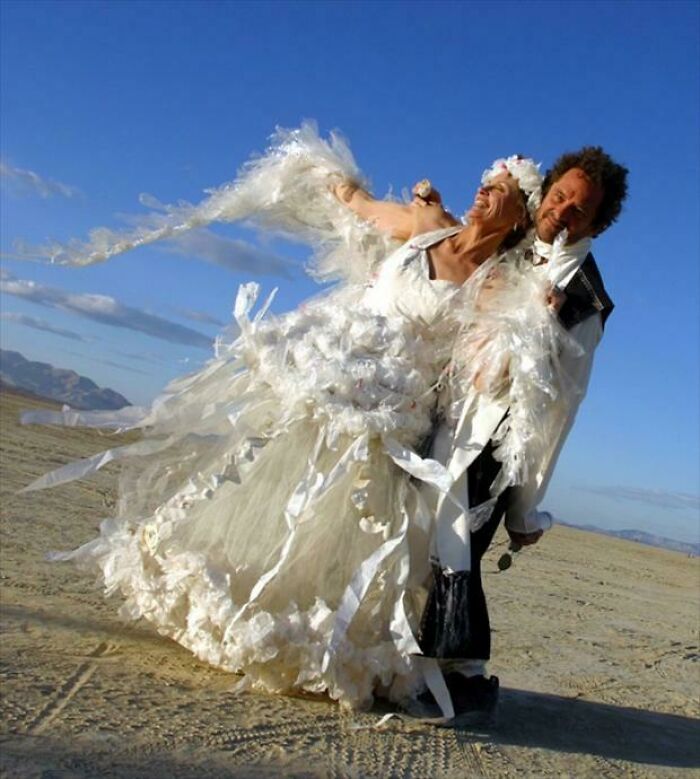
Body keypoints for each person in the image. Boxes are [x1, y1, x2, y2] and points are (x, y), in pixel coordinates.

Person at [19, 125, 560, 721]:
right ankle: (240, 600)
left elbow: (490, 360)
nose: (486, 190)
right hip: (328, 369)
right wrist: (326, 178)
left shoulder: (499, 286)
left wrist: (534, 318)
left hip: (389, 407)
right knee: (273, 490)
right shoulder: (428, 226)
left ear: (521, 215)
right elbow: (356, 206)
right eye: (486, 181)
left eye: (502, 188)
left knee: (339, 521)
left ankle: (308, 633)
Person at [414, 147, 629, 721]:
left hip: (497, 440)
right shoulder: (515, 242)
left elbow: (562, 403)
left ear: (595, 225)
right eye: (559, 197)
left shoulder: (584, 296)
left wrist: (525, 506)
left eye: (579, 211)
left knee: (457, 541)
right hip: (446, 410)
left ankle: (465, 679)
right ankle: (415, 663)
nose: (562, 213)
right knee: (421, 536)